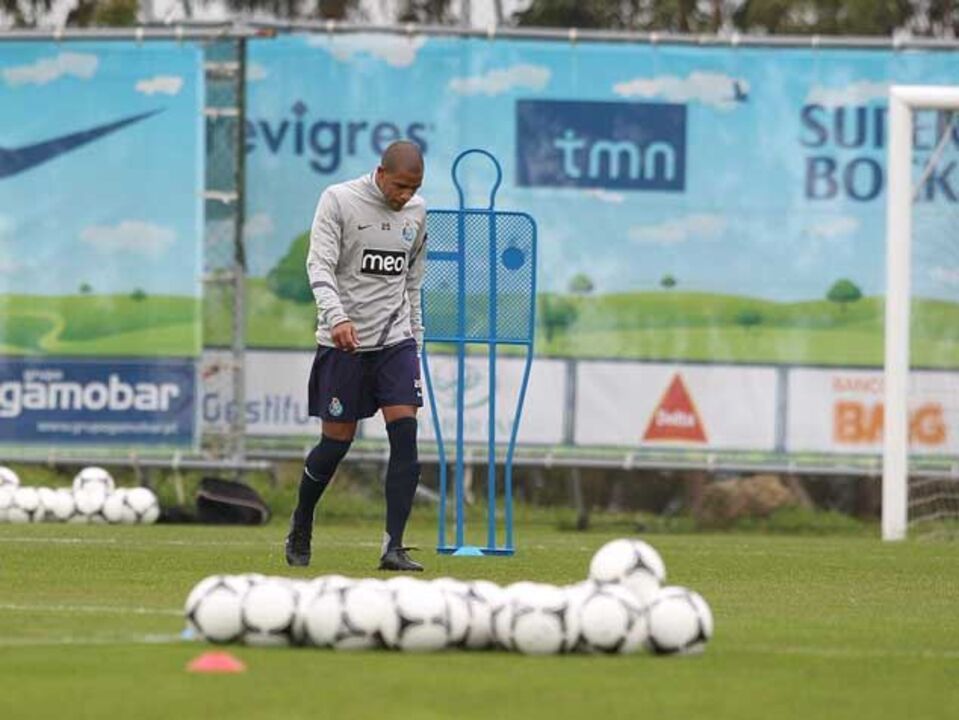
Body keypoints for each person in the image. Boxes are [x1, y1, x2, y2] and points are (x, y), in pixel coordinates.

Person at [285, 140, 428, 572]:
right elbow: (319, 266)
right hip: (342, 341)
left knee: (405, 435)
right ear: (380, 173)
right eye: (400, 186)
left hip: (395, 340)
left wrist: (415, 343)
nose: (405, 196)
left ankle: (393, 547)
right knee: (336, 444)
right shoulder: (339, 200)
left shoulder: (418, 213)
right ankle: (302, 519)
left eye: (414, 188)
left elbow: (412, 283)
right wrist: (337, 318)